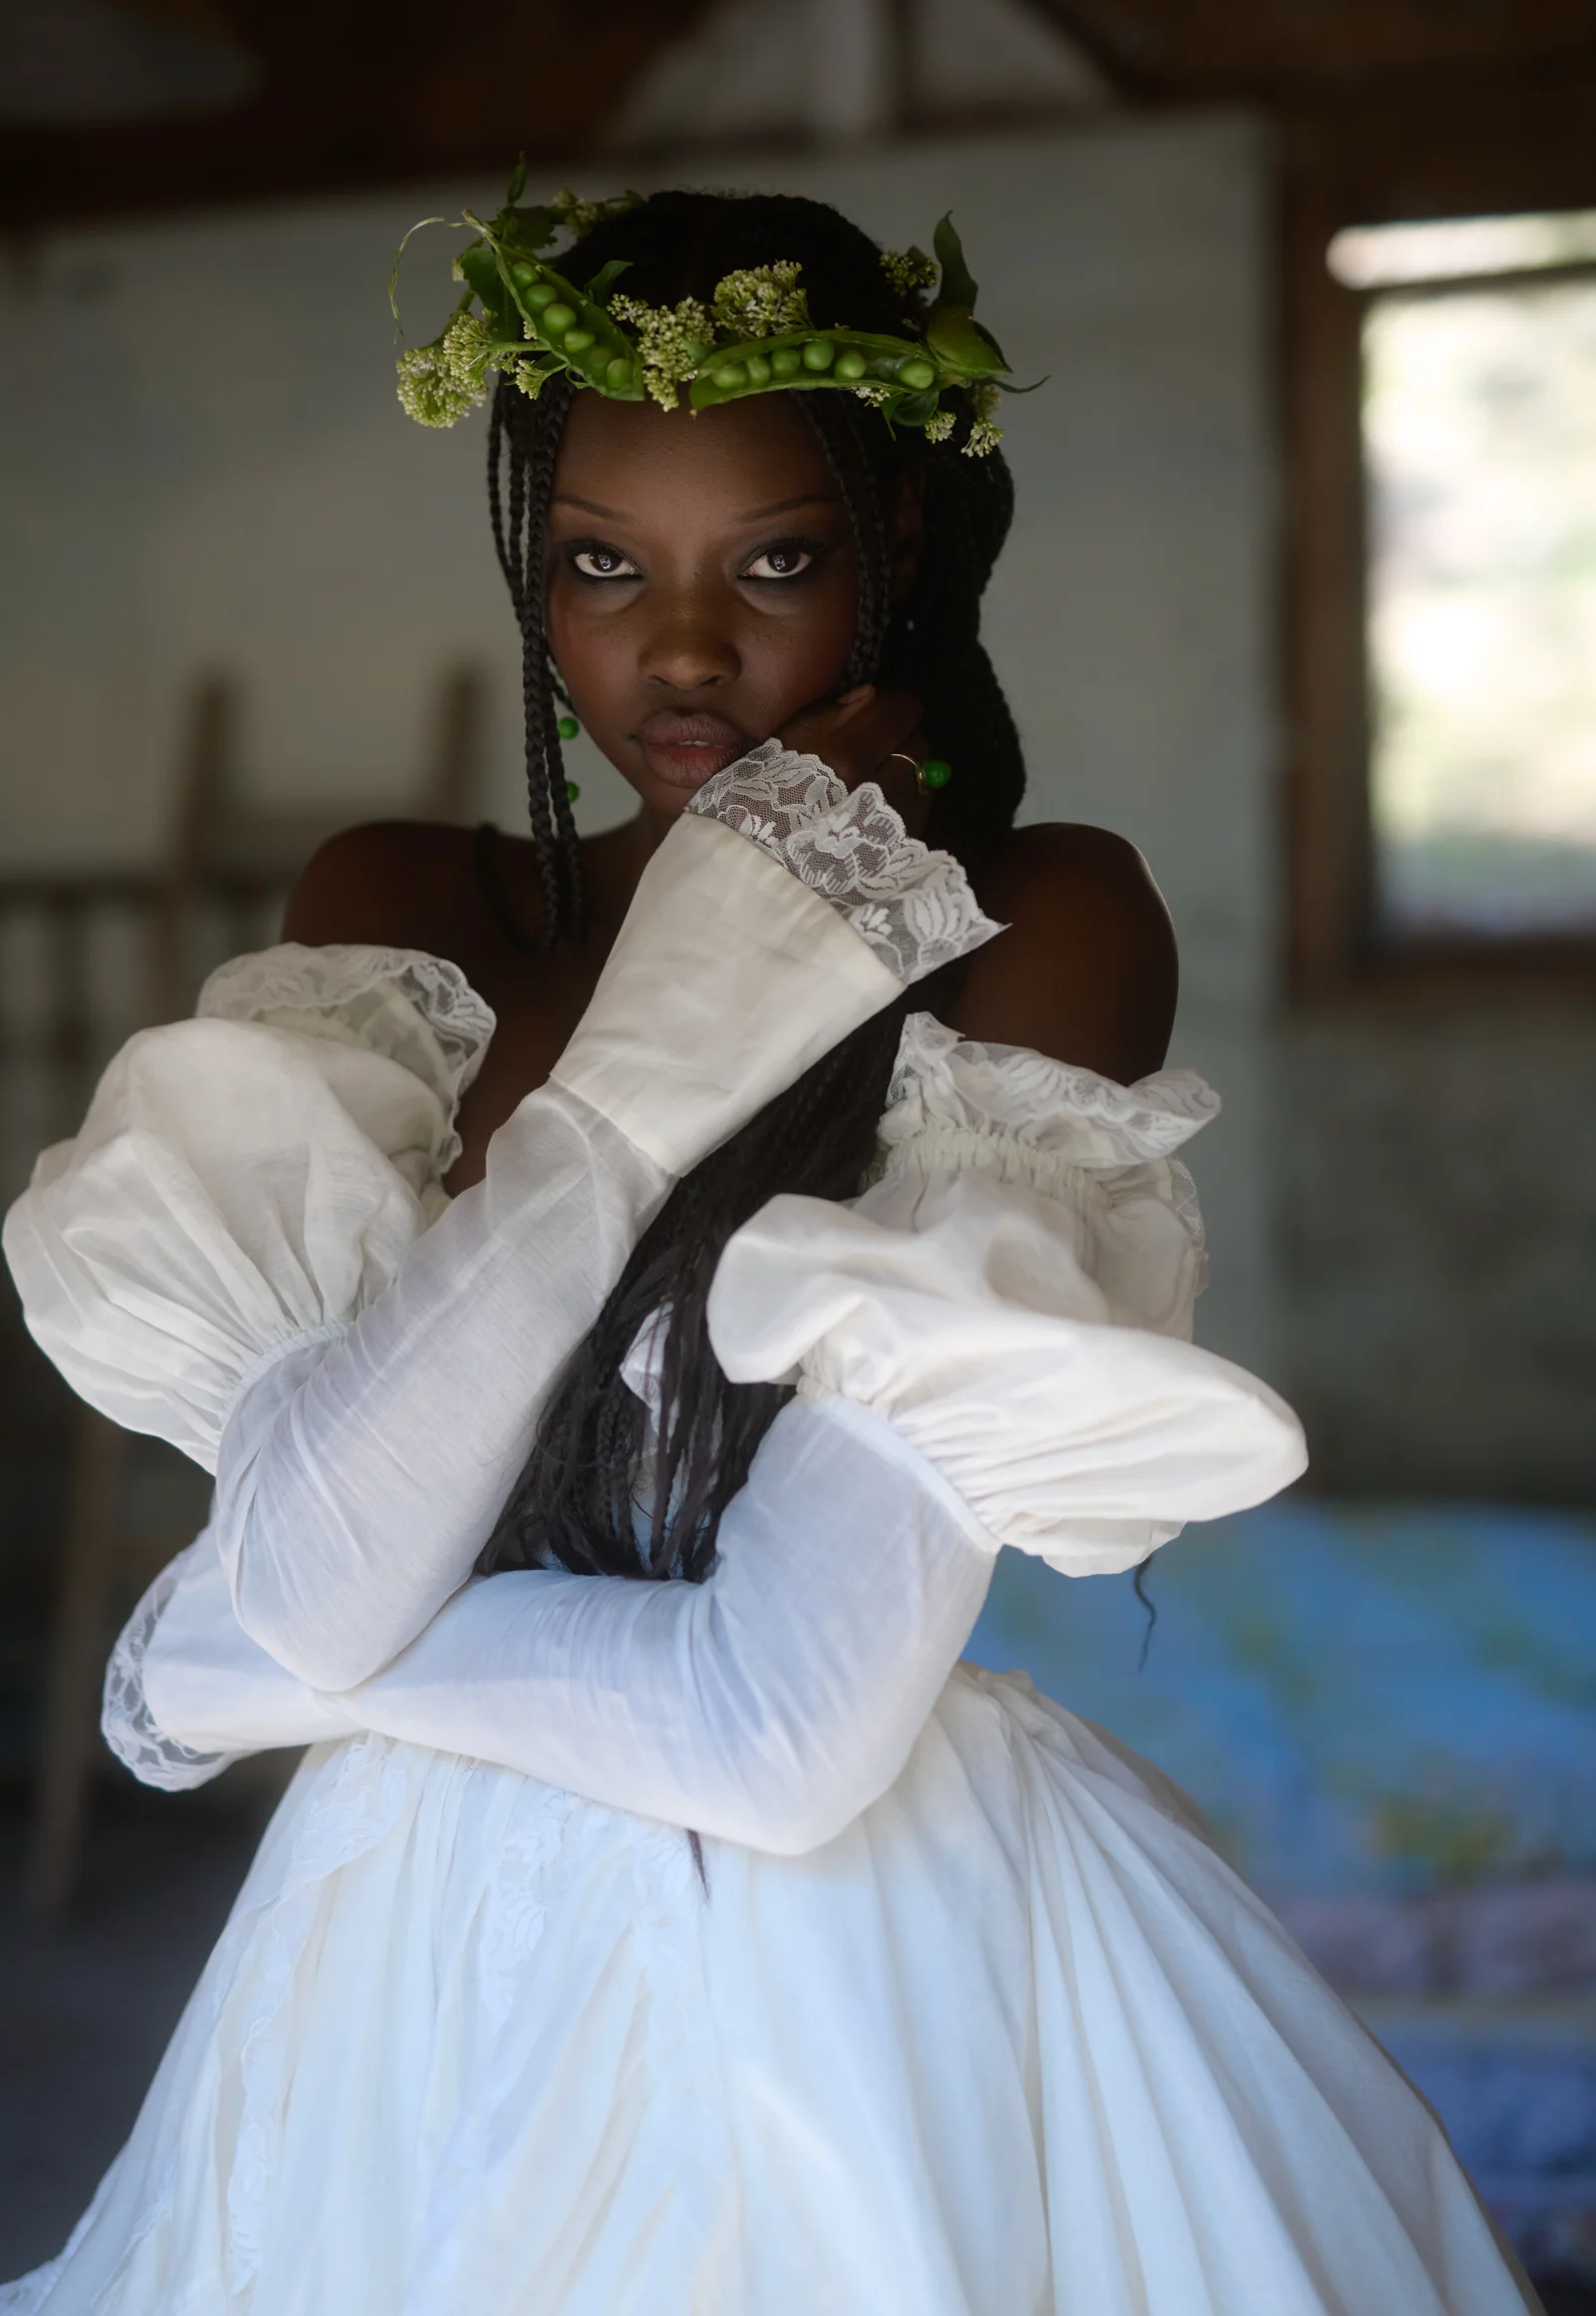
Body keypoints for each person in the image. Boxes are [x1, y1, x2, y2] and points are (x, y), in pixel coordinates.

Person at [1, 186, 1536, 2315]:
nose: (682, 647)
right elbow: (319, 1578)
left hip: (854, 1982)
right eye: (601, 564)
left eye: (776, 562)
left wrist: (255, 1648)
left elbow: (769, 1733)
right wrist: (645, 1071)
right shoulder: (398, 917)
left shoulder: (1048, 923)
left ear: (892, 545)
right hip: (388, 1980)